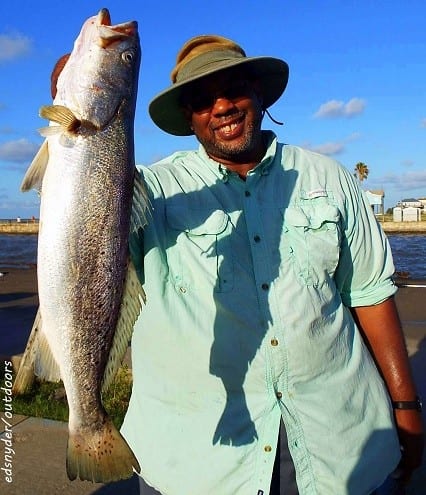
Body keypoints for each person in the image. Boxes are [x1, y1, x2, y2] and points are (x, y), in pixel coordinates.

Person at [120, 35, 424, 495]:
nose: (220, 106)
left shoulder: (329, 178)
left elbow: (370, 294)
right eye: (202, 99)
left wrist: (405, 404)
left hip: (337, 446)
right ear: (189, 117)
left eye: (233, 88)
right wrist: (77, 118)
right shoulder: (150, 192)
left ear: (259, 92)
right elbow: (84, 228)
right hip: (195, 461)